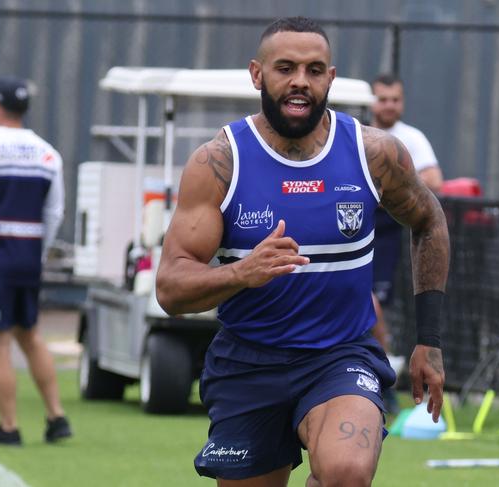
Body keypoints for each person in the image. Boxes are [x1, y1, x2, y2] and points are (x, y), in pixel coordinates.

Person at [156, 17, 449, 486]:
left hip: (340, 356)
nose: (300, 81)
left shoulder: (373, 153)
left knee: (346, 473)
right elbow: (170, 288)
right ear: (257, 74)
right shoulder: (219, 162)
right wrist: (240, 273)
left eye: (314, 70)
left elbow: (430, 220)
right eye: (285, 68)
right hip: (248, 363)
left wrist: (429, 339)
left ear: (330, 78)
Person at [0, 77, 71, 445]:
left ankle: (8, 427)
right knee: (30, 335)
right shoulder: (48, 154)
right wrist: (36, 249)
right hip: (28, 257)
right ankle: (56, 417)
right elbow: (55, 213)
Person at [369, 74, 444, 413]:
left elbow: (432, 181)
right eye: (383, 99)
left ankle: (384, 374)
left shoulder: (410, 139)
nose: (389, 106)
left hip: (390, 232)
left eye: (395, 99)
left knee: (371, 303)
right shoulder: (358, 134)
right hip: (356, 229)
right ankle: (380, 370)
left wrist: (387, 190)